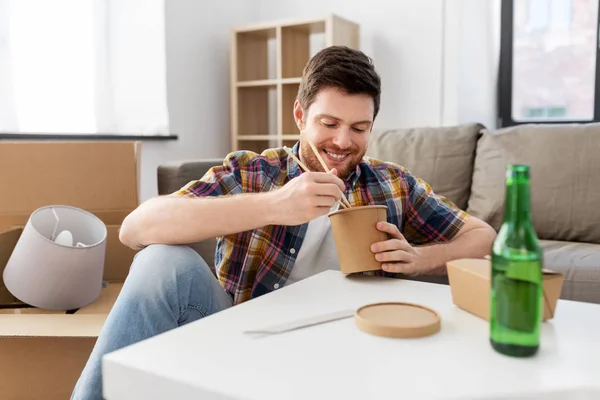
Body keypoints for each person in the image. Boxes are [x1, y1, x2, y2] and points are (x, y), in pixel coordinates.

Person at [71, 45, 496, 399]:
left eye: (359, 128)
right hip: (243, 341)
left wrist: (418, 257)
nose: (343, 142)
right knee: (160, 263)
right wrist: (275, 205)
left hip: (351, 356)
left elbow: (483, 236)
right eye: (328, 123)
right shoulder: (254, 173)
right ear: (300, 115)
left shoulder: (393, 184)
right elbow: (136, 228)